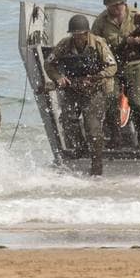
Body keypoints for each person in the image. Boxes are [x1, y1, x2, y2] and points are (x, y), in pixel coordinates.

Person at [42, 14, 118, 176]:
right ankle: (80, 147)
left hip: (93, 90)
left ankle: (96, 164)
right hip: (72, 88)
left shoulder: (98, 43)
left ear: (87, 33)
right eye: (74, 34)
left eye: (80, 34)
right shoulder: (64, 45)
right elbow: (49, 63)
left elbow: (112, 67)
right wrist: (58, 78)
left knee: (93, 128)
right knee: (68, 120)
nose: (77, 38)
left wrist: (96, 77)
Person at [91, 0, 140, 149]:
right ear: (107, 6)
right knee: (111, 99)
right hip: (114, 67)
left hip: (135, 64)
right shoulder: (101, 21)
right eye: (113, 6)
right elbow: (94, 43)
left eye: (119, 4)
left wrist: (135, 40)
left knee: (137, 100)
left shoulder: (138, 16)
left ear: (124, 3)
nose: (117, 8)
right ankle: (115, 136)